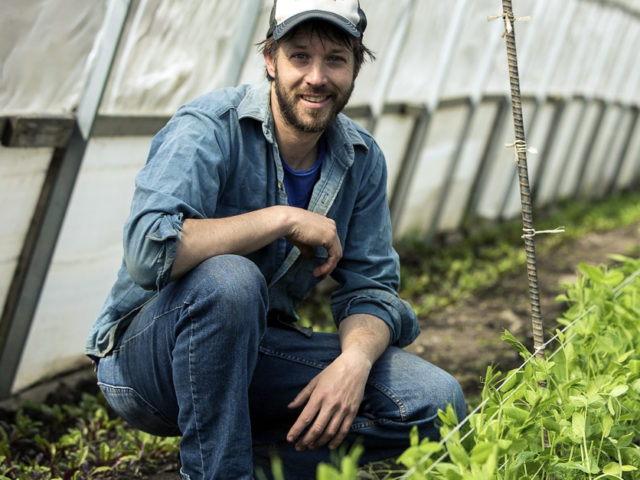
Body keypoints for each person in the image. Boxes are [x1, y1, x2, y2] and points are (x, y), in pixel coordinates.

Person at [85, 1, 466, 478]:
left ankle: (258, 459)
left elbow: (371, 288)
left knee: (434, 403)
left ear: (355, 68)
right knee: (230, 278)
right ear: (270, 60)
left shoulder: (361, 158)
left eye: (335, 60)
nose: (317, 77)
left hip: (255, 351)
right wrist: (281, 219)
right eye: (300, 56)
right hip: (147, 363)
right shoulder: (208, 127)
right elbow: (149, 250)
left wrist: (353, 363)